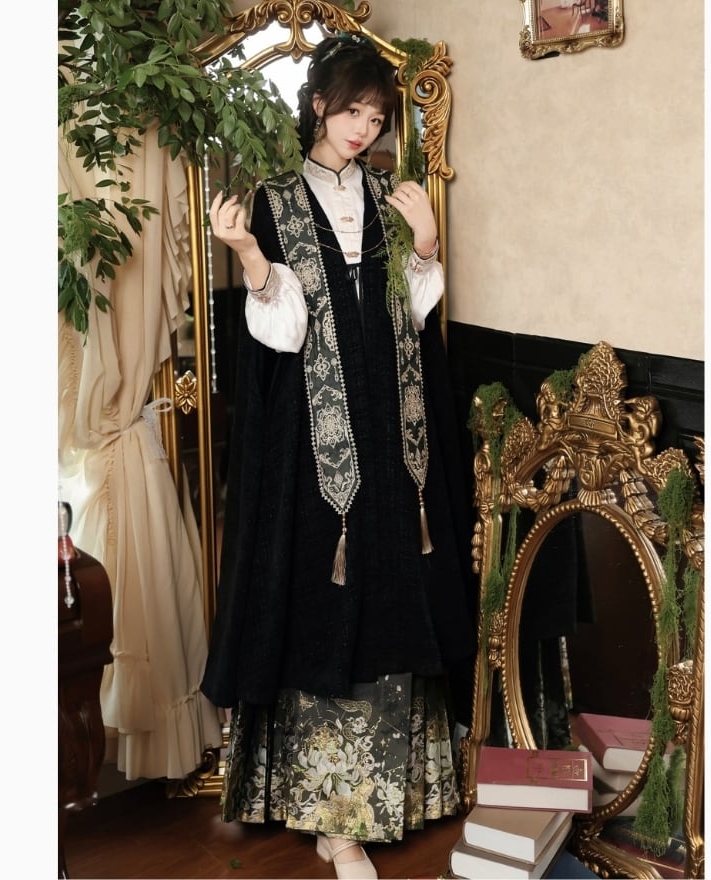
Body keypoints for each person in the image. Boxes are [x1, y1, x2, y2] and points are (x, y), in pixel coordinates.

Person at [200, 33, 476, 880]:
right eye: (353, 110)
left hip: (394, 437)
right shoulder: (275, 200)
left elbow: (412, 316)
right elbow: (283, 333)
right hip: (312, 445)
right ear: (319, 103)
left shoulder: (393, 194)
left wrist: (425, 241)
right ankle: (333, 823)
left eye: (377, 116)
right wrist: (249, 256)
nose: (364, 128)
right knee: (324, 603)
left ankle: (398, 794)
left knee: (394, 597)